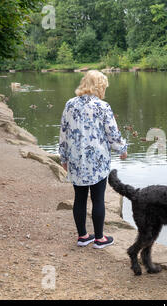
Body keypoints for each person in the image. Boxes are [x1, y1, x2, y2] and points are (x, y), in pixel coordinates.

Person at [59, 70, 127, 249]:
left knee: (79, 198)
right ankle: (99, 239)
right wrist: (122, 149)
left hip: (76, 159)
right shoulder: (102, 106)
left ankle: (82, 236)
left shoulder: (70, 104)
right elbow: (112, 133)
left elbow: (63, 133)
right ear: (99, 86)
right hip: (97, 159)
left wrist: (63, 157)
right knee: (98, 199)